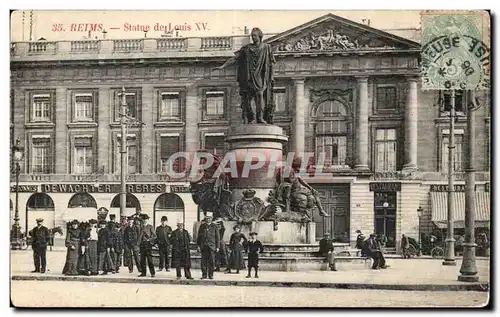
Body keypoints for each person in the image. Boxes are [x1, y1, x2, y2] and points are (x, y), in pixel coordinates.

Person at [214, 27, 275, 124]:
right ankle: (252, 117)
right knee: (248, 97)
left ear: (260, 36)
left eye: (255, 35)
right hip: (248, 76)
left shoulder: (266, 47)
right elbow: (234, 59)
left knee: (259, 94)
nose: (253, 37)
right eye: (252, 36)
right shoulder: (247, 48)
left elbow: (270, 64)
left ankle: (260, 117)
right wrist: (222, 66)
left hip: (260, 76)